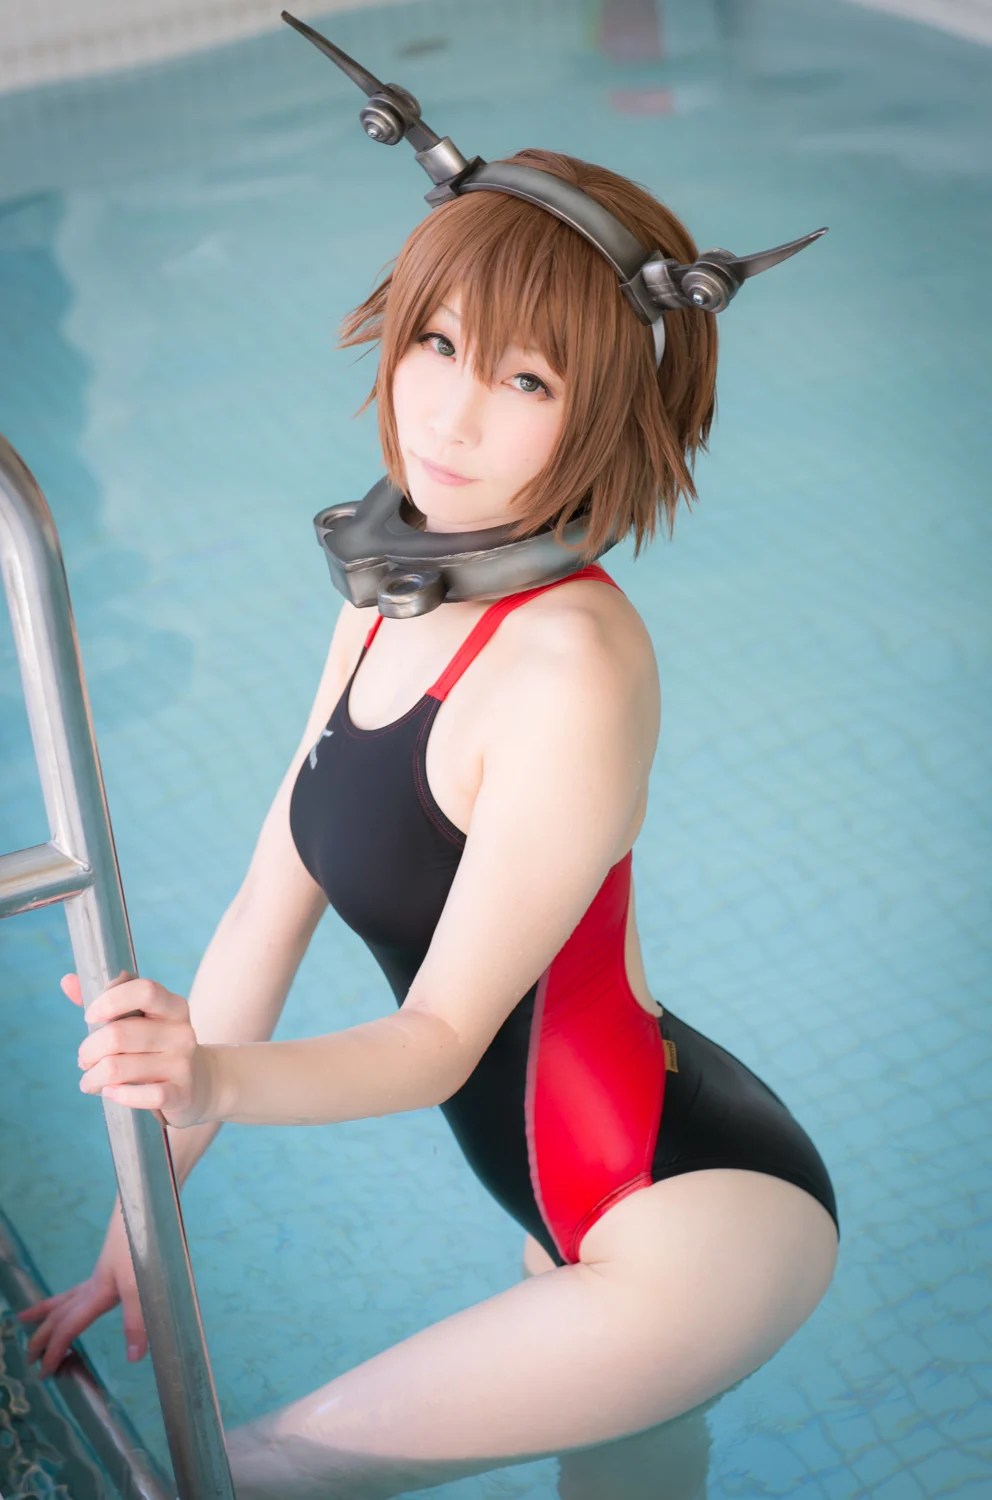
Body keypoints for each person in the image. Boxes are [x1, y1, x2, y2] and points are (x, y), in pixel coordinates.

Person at [18, 147, 839, 1499]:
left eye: (527, 381)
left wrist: (208, 1079)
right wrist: (138, 1222)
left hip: (693, 1226)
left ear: (602, 414)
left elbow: (441, 1041)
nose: (449, 417)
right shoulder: (392, 592)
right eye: (439, 344)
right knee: (625, 1474)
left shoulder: (574, 667)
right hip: (575, 1199)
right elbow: (264, 907)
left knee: (239, 1476)